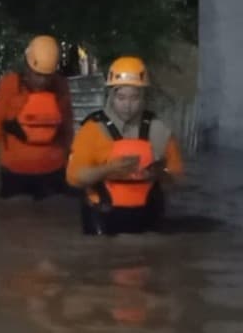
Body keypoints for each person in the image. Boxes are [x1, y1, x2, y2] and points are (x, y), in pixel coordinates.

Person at [66, 56, 184, 234]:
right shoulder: (92, 130)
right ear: (111, 96)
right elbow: (74, 177)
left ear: (144, 97)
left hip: (147, 216)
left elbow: (177, 176)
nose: (127, 105)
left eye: (134, 98)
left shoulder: (160, 131)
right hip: (101, 217)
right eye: (121, 97)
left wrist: (158, 173)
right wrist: (108, 170)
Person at [0, 35, 75, 199]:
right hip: (15, 171)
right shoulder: (10, 85)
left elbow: (67, 128)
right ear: (27, 67)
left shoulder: (61, 88)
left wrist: (72, 163)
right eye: (37, 75)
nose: (42, 81)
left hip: (53, 170)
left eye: (47, 76)